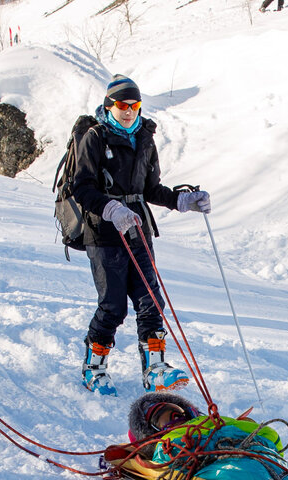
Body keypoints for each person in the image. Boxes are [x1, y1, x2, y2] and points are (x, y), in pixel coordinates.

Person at [71, 74, 210, 396]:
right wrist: (111, 209)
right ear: (109, 105)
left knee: (151, 300)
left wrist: (182, 200)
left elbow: (150, 189)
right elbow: (83, 188)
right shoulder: (94, 136)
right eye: (122, 105)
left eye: (134, 105)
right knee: (113, 305)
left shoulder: (144, 137)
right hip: (103, 232)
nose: (129, 110)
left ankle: (155, 369)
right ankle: (94, 367)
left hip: (138, 230)